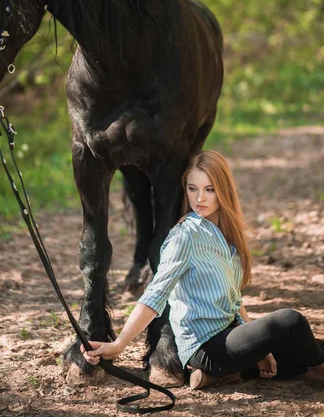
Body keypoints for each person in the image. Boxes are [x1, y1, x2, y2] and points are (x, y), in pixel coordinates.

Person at [82, 151, 324, 389]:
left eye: (209, 189)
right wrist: (118, 345)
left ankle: (222, 375)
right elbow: (155, 295)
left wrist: (258, 346)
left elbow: (234, 300)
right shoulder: (185, 236)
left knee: (310, 345)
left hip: (230, 336)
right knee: (291, 321)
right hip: (205, 346)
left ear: (223, 190)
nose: (200, 198)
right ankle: (316, 372)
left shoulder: (227, 237)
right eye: (192, 188)